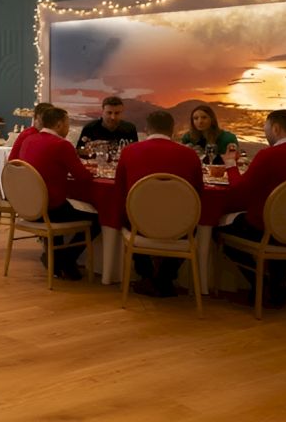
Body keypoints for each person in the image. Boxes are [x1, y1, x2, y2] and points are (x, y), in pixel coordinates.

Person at [221, 109, 286, 309]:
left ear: (275, 128)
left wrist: (231, 165)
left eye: (266, 127)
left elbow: (240, 192)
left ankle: (263, 282)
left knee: (221, 228)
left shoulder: (269, 155)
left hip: (268, 230)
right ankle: (280, 274)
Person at [114, 110, 204, 297]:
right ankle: (165, 277)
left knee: (127, 215)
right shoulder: (190, 155)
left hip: (139, 223)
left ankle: (146, 275)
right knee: (191, 224)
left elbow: (120, 190)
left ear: (146, 129)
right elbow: (198, 194)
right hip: (179, 226)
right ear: (172, 130)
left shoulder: (129, 152)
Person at [17, 106, 98, 280]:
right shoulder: (62, 145)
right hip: (50, 209)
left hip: (27, 207)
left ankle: (57, 260)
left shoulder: (29, 140)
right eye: (68, 124)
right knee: (98, 219)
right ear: (60, 125)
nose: (68, 128)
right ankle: (66, 259)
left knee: (64, 203)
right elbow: (82, 177)